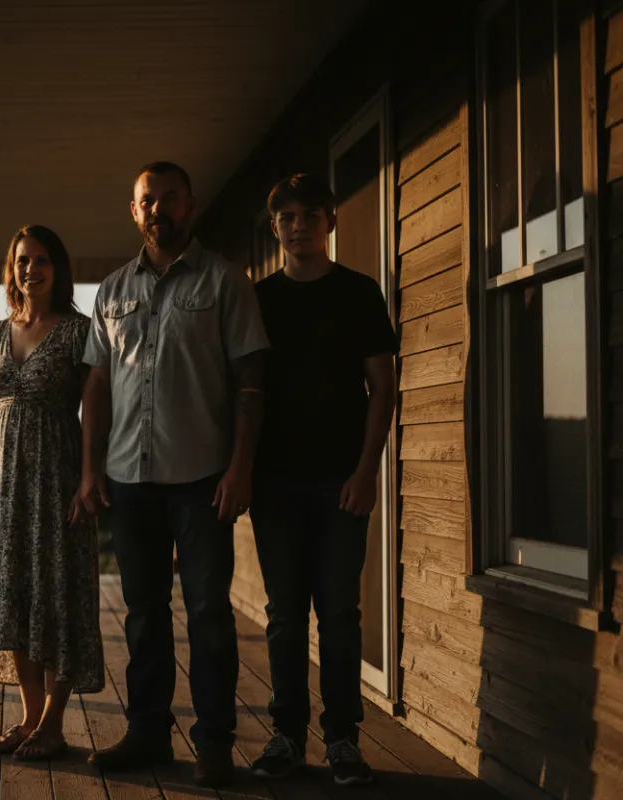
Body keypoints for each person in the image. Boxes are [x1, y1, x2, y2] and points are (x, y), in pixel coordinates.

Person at [78, 162, 269, 787]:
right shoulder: (110, 290)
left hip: (202, 477)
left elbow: (250, 384)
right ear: (133, 212)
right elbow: (98, 386)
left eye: (169, 198)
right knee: (143, 612)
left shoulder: (225, 282)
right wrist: (90, 468)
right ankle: (147, 734)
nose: (157, 208)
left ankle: (213, 741)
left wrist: (240, 468)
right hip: (129, 478)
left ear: (190, 205)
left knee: (209, 612)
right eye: (146, 201)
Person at [247, 173, 397, 786]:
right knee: (285, 615)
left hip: (341, 478)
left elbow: (383, 387)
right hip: (274, 481)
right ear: (275, 227)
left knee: (338, 614)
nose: (300, 224)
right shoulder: (259, 299)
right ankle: (286, 735)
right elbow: (243, 391)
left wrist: (367, 472)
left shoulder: (359, 293)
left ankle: (342, 740)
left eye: (312, 214)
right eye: (288, 216)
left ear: (330, 222)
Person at [0, 224, 105, 761]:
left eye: (41, 260)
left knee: (59, 595)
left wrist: (90, 476)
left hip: (57, 479)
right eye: (22, 260)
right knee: (13, 595)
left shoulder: (79, 332)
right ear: (11, 268)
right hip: (0, 487)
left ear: (57, 269)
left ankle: (53, 723)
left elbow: (95, 413)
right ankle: (27, 717)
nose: (31, 269)